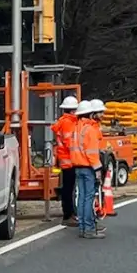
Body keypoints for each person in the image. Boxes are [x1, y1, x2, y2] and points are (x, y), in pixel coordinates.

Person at [71, 99, 106, 239]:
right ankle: (89, 229)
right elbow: (91, 153)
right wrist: (98, 169)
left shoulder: (76, 129)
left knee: (81, 198)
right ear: (90, 114)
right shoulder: (90, 130)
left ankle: (82, 228)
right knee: (88, 198)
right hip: (88, 167)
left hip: (77, 167)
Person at [52, 94, 80, 226]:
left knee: (68, 188)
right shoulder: (68, 123)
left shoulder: (64, 122)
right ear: (73, 110)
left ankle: (70, 213)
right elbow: (70, 143)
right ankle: (68, 215)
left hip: (65, 160)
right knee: (69, 189)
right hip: (70, 161)